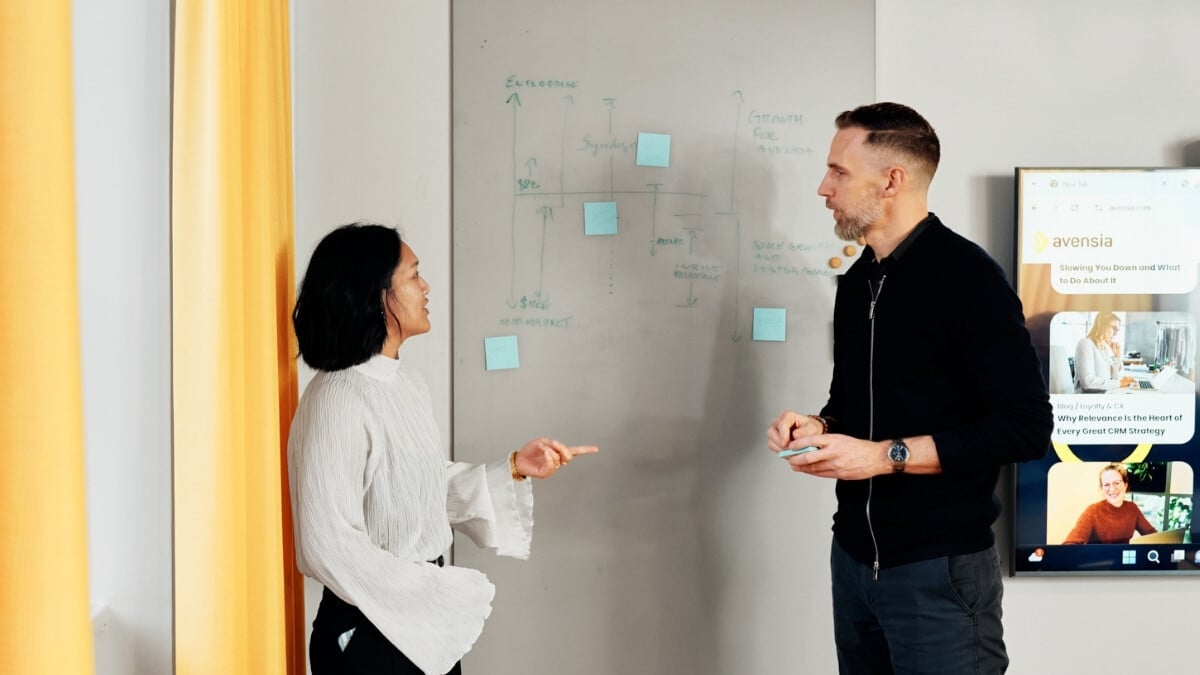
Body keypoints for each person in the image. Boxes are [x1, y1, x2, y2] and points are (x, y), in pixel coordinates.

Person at [766, 103, 1053, 675]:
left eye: (838, 172)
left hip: (939, 573)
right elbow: (851, 402)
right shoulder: (857, 282)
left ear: (892, 179)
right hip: (853, 563)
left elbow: (1025, 427)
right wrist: (819, 426)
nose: (824, 188)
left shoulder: (969, 279)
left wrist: (881, 456)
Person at [288, 223, 597, 675]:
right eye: (414, 275)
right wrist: (429, 593)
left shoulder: (406, 383)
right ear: (378, 295)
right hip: (370, 633)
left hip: (415, 621)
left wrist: (514, 466)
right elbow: (325, 542)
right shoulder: (336, 400)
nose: (425, 286)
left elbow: (419, 485)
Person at [1062, 464, 1156, 544]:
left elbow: (1152, 534)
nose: (1112, 489)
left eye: (1117, 483)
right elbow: (1071, 543)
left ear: (1125, 485)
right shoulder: (1092, 511)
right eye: (1106, 485)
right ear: (1102, 489)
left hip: (1123, 560)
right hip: (1099, 563)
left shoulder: (1132, 508)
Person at [1074, 311, 1134, 392]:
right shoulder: (1085, 343)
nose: (1115, 334)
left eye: (1117, 330)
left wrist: (1117, 356)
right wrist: (1119, 383)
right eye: (1114, 328)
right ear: (1101, 325)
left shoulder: (1104, 347)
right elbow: (1087, 382)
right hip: (1087, 398)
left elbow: (1114, 377)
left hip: (1103, 393)